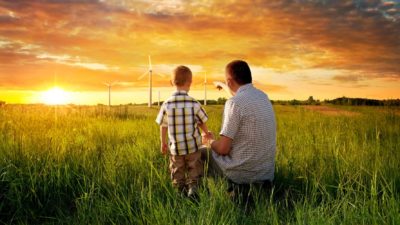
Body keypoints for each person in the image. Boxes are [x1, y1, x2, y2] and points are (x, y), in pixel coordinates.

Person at [204, 60, 276, 202]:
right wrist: (224, 85)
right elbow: (240, 97)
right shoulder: (263, 97)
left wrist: (209, 141)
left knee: (201, 153)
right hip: (266, 173)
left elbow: (223, 149)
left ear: (230, 82)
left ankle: (208, 194)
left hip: (242, 174)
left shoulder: (234, 103)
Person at [156, 65, 211, 198]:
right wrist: (206, 133)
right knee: (194, 168)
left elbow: (163, 126)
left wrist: (163, 142)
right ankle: (193, 189)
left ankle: (179, 190)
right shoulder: (194, 103)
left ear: (171, 83)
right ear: (190, 83)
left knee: (177, 170)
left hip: (175, 148)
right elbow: (201, 121)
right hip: (193, 147)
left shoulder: (167, 104)